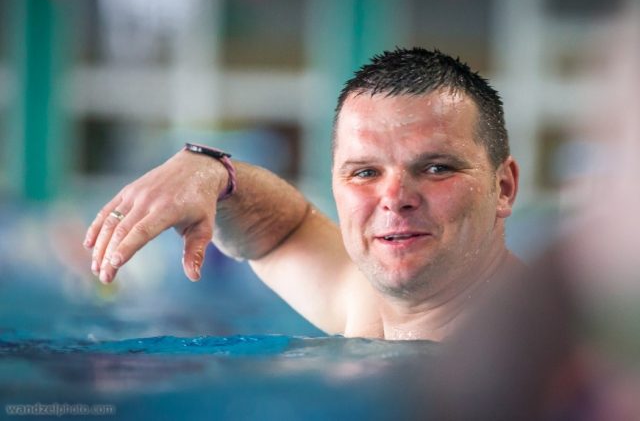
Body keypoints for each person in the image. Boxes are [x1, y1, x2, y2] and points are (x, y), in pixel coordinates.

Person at [84, 47, 520, 341]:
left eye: (436, 168)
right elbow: (283, 232)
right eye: (365, 172)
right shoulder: (366, 303)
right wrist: (212, 170)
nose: (395, 197)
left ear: (503, 188)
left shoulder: (540, 347)